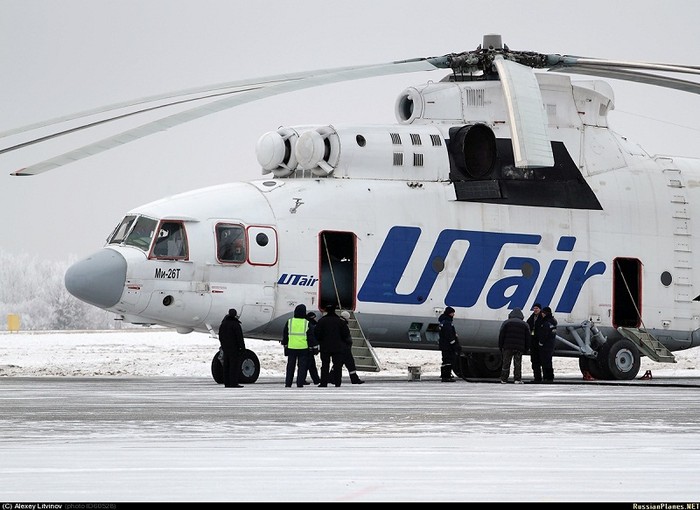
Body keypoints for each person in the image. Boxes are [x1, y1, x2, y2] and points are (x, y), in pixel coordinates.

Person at [313, 304, 350, 387]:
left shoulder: (322, 321)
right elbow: (346, 334)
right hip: (338, 347)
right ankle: (337, 382)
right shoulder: (340, 322)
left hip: (325, 347)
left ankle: (323, 383)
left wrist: (320, 341)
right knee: (337, 366)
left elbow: (317, 333)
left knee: (325, 365)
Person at [281, 304, 311, 387]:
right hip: (303, 348)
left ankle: (288, 383)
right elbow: (310, 336)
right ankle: (300, 383)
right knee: (302, 367)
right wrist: (314, 346)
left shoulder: (290, 321)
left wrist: (285, 343)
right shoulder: (306, 323)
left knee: (290, 367)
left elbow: (285, 333)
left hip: (291, 347)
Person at [498, 307, 530, 384]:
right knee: (517, 363)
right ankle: (517, 379)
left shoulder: (506, 323)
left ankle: (504, 379)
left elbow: (501, 335)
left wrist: (501, 346)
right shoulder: (525, 324)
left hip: (508, 347)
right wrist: (526, 348)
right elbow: (528, 338)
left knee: (506, 363)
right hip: (519, 348)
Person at [218, 308, 246, 388]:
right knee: (234, 366)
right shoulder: (235, 324)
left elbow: (220, 336)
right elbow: (239, 337)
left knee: (226, 365)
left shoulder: (223, 324)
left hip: (225, 348)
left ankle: (227, 383)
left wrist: (223, 345)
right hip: (234, 348)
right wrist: (242, 348)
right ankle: (233, 383)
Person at [337, 310, 365, 384]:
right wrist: (349, 343)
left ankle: (331, 377)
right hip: (345, 348)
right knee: (350, 364)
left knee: (338, 363)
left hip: (338, 347)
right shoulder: (343, 325)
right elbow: (346, 337)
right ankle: (354, 379)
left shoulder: (336, 323)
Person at [438, 306, 461, 382]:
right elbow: (448, 334)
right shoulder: (447, 323)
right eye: (452, 313)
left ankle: (445, 375)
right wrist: (454, 343)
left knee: (446, 359)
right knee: (448, 360)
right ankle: (446, 376)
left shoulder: (444, 321)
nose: (453, 315)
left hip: (444, 344)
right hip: (447, 345)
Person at [535, 306, 558, 383]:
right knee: (549, 361)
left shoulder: (546, 323)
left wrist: (541, 342)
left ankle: (546, 377)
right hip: (551, 344)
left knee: (545, 362)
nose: (542, 314)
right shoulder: (553, 322)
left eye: (543, 313)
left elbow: (544, 334)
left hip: (545, 345)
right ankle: (550, 376)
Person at [526, 303, 543, 382]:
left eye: (537, 308)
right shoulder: (531, 318)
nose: (535, 310)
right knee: (534, 361)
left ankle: (544, 377)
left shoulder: (542, 318)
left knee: (541, 360)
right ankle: (537, 377)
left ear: (540, 309)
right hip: (533, 342)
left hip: (540, 342)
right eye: (534, 308)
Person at [304, 311, 321, 385]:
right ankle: (303, 379)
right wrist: (315, 347)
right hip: (308, 348)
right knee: (307, 365)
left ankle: (316, 379)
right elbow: (312, 337)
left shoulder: (307, 324)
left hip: (305, 347)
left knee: (311, 365)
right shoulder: (310, 325)